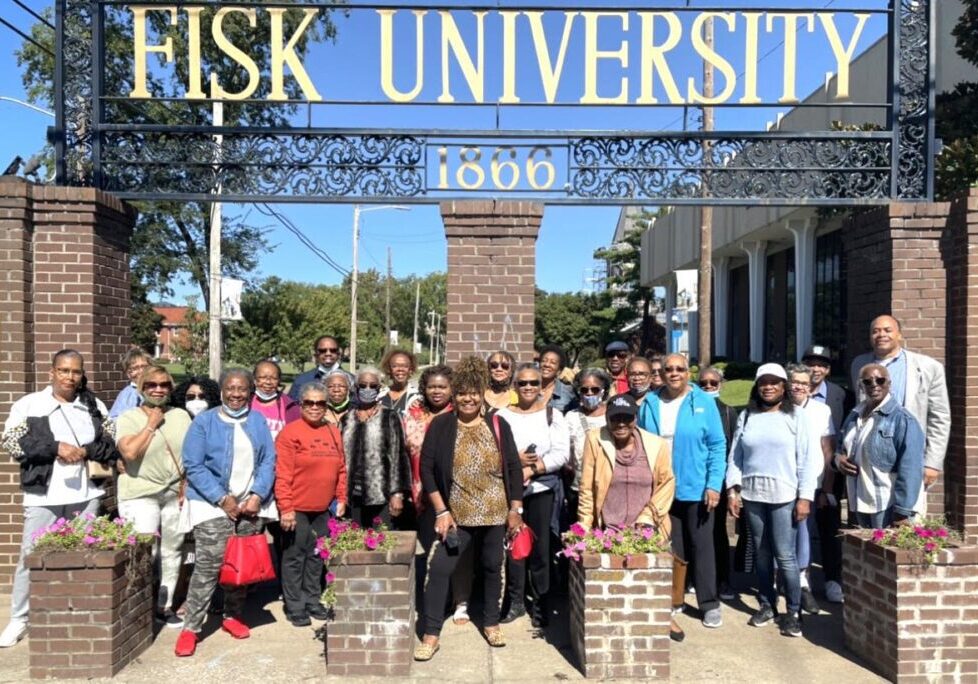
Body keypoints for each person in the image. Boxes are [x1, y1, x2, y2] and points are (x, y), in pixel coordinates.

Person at [0, 350, 118, 649]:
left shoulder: (93, 405)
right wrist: (56, 447)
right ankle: (19, 618)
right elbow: (12, 442)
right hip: (44, 494)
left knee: (84, 554)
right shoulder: (30, 404)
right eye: (64, 370)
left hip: (86, 493)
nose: (69, 377)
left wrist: (87, 450)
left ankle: (76, 610)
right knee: (31, 555)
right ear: (51, 372)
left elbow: (110, 441)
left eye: (75, 372)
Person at [415, 357, 524, 660]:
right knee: (438, 571)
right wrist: (440, 511)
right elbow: (426, 470)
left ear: (482, 394)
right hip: (456, 517)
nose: (467, 398)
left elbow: (513, 469)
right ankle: (431, 633)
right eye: (462, 393)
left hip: (494, 515)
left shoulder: (498, 424)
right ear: (454, 395)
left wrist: (516, 509)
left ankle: (490, 622)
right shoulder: (442, 424)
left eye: (473, 393)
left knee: (491, 567)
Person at [174, 369, 277, 657]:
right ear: (221, 390)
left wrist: (257, 495)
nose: (236, 394)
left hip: (248, 506)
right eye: (230, 388)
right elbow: (193, 465)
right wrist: (222, 499)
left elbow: (269, 460)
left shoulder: (256, 420)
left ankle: (232, 616)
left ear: (250, 391)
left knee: (239, 566)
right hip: (211, 504)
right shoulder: (205, 422)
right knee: (208, 567)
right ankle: (191, 629)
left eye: (242, 389)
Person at [726, 364, 820, 639]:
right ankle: (768, 604)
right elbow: (736, 457)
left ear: (784, 386)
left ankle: (793, 611)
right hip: (753, 496)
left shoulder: (796, 416)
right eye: (763, 382)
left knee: (785, 555)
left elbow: (809, 459)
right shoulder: (747, 416)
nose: (768, 387)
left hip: (785, 496)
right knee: (762, 554)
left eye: (774, 383)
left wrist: (805, 497)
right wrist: (733, 491)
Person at [638, 353, 726, 630]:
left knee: (702, 546)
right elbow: (640, 443)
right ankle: (674, 598)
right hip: (661, 488)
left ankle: (709, 603)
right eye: (668, 369)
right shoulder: (650, 402)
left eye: (680, 369)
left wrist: (714, 484)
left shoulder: (703, 402)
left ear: (688, 373)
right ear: (660, 373)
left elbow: (717, 445)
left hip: (696, 487)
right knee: (671, 547)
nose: (674, 373)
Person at [577, 396, 679, 632]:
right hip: (611, 526)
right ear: (607, 418)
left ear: (635, 418)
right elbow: (587, 489)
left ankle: (664, 615)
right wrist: (583, 528)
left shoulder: (656, 445)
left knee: (651, 579)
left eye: (627, 418)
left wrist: (648, 518)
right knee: (615, 583)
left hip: (648, 525)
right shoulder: (596, 440)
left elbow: (666, 484)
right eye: (615, 418)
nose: (621, 423)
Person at [115, 364, 192, 628]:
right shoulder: (128, 417)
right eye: (151, 385)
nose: (158, 390)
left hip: (174, 493)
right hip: (140, 493)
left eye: (164, 385)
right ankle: (139, 603)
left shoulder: (182, 416)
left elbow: (190, 455)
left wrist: (187, 484)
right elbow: (129, 454)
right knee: (145, 550)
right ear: (141, 387)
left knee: (173, 550)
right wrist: (150, 424)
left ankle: (165, 604)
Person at [849, 315, 949, 515]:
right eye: (875, 331)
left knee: (908, 518)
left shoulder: (928, 367)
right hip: (869, 459)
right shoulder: (859, 365)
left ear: (899, 334)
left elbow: (940, 417)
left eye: (887, 330)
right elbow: (859, 411)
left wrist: (932, 463)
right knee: (871, 523)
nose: (881, 335)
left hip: (908, 454)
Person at [497, 363, 570, 628]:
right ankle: (515, 601)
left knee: (541, 549)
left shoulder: (553, 415)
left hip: (542, 490)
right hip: (510, 491)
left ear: (542, 386)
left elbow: (562, 453)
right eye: (523, 383)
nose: (528, 388)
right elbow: (494, 451)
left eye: (533, 383)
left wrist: (533, 469)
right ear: (514, 386)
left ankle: (541, 601)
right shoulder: (502, 416)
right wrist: (515, 461)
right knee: (513, 547)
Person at [275, 383, 347, 627]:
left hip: (323, 508)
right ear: (301, 404)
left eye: (320, 403)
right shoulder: (290, 433)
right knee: (295, 557)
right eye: (310, 403)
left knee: (317, 556)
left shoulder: (333, 431)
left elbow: (341, 469)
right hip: (297, 508)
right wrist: (286, 508)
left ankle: (313, 600)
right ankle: (295, 605)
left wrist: (341, 498)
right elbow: (283, 473)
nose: (315, 407)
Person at [836, 364, 925, 529]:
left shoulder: (903, 420)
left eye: (880, 380)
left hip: (886, 506)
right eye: (867, 381)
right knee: (864, 554)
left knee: (883, 553)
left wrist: (902, 511)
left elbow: (911, 468)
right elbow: (841, 447)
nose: (874, 385)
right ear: (861, 385)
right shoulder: (854, 415)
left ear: (889, 384)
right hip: (857, 502)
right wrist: (838, 460)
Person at [801, 344, 849, 604]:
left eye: (821, 364)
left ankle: (833, 580)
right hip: (800, 480)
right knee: (802, 532)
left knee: (830, 530)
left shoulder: (841, 395)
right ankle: (803, 579)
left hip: (829, 476)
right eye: (810, 363)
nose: (815, 369)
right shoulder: (793, 394)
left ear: (828, 370)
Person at [787, 363, 836, 616]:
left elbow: (828, 451)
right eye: (794, 381)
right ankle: (779, 583)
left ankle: (803, 583)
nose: (799, 387)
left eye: (804, 383)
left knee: (805, 534)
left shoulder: (821, 410)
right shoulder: (778, 408)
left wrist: (826, 488)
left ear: (810, 386)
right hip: (782, 483)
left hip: (811, 484)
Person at [341, 366, 411, 528]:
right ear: (355, 388)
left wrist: (397, 494)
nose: (367, 389)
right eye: (363, 385)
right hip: (351, 495)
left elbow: (398, 456)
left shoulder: (389, 416)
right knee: (355, 545)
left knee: (380, 544)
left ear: (379, 388)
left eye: (372, 386)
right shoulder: (347, 418)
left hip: (381, 494)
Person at [697, 366, 738, 601]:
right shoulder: (691, 409)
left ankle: (723, 579)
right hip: (694, 479)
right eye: (704, 384)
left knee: (717, 532)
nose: (709, 387)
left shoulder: (728, 412)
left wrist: (731, 488)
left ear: (720, 385)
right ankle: (695, 577)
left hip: (718, 481)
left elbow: (731, 450)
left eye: (713, 383)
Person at [403, 365, 453, 544]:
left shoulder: (458, 414)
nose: (436, 391)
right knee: (422, 546)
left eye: (442, 387)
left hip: (449, 490)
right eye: (432, 387)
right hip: (417, 489)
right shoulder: (414, 413)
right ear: (425, 388)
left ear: (451, 388)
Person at [565, 369, 612, 521]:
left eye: (595, 389)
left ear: (603, 391)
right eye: (585, 390)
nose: (590, 393)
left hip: (608, 486)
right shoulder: (571, 417)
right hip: (578, 487)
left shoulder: (611, 415)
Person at [288, 335, 352, 402]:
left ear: (338, 354)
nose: (328, 353)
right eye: (322, 351)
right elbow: (292, 408)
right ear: (316, 354)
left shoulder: (351, 381)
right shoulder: (302, 381)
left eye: (333, 350)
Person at [250, 359, 300, 439]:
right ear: (255, 380)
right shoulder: (245, 403)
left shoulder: (291, 408)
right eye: (263, 377)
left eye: (274, 378)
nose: (268, 382)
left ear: (279, 381)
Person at [109, 348, 152, 419]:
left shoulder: (159, 388)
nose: (141, 371)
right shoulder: (128, 394)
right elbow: (113, 419)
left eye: (144, 367)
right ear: (128, 374)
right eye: (135, 368)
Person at [538, 344, 576, 413]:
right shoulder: (528, 388)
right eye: (544, 361)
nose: (547, 364)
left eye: (553, 362)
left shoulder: (568, 393)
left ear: (559, 371)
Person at [380, 348, 418, 417]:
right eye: (395, 366)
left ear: (410, 370)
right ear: (389, 369)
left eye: (405, 366)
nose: (400, 369)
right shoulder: (380, 395)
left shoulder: (417, 398)